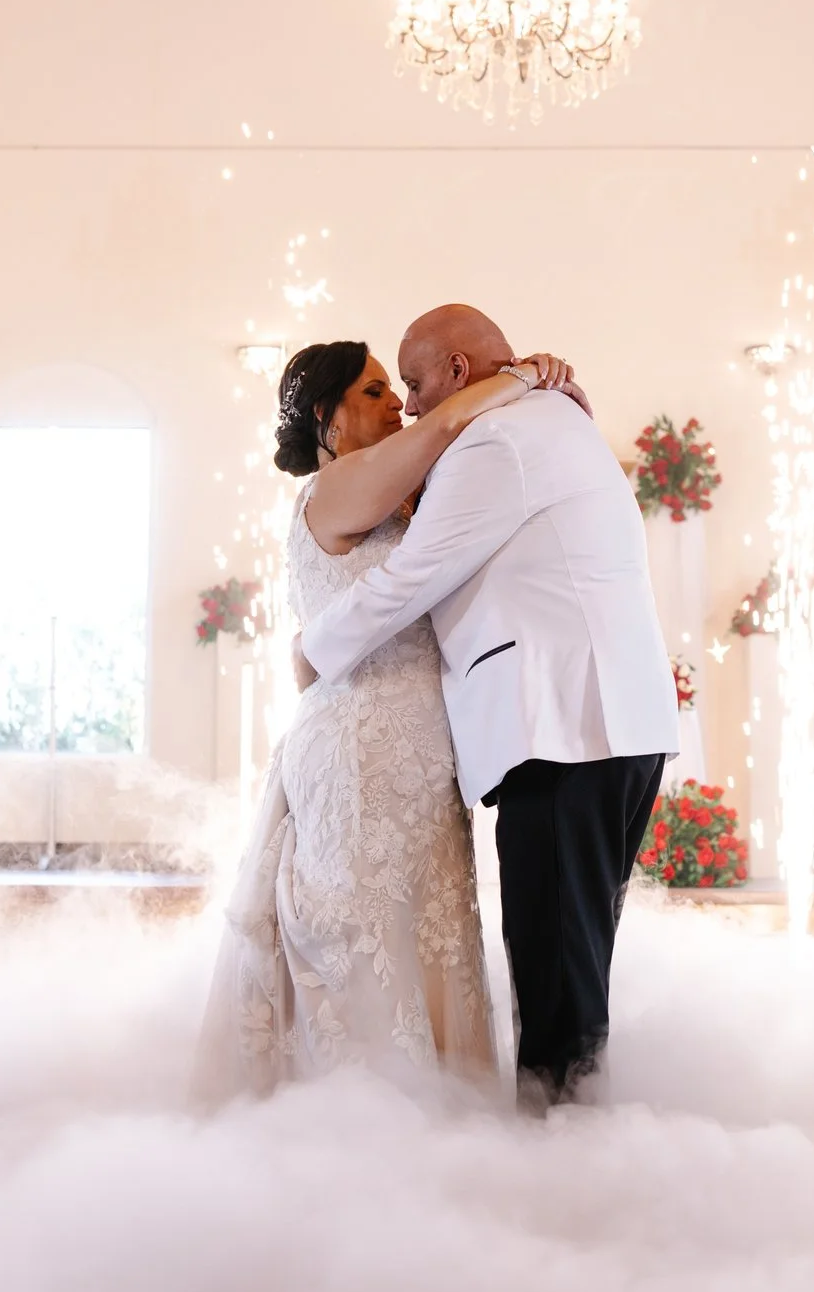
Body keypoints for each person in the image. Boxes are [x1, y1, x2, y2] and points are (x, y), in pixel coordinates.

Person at [296, 305, 676, 1109]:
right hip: (611, 724)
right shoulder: (550, 421)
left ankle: (561, 1168)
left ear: (459, 374)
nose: (409, 402)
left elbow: (413, 576)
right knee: (572, 964)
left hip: (563, 728)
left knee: (555, 971)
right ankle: (581, 1144)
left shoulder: (496, 439)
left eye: (414, 381)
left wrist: (312, 649)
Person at [202, 339, 586, 1097]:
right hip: (358, 752)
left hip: (422, 759)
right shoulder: (334, 486)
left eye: (394, 389)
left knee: (430, 939)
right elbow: (441, 428)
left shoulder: (399, 494)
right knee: (364, 944)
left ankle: (433, 1145)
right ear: (327, 415)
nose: (395, 404)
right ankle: (362, 1141)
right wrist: (516, 376)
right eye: (376, 390)